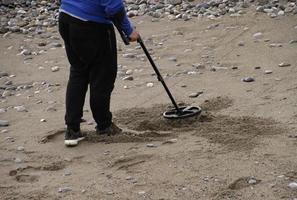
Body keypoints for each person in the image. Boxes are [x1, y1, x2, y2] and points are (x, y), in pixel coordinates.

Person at [58, 0, 139, 147]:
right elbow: (113, 7)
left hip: (66, 19)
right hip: (91, 25)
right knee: (103, 75)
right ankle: (104, 126)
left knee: (78, 72)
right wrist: (128, 30)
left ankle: (72, 129)